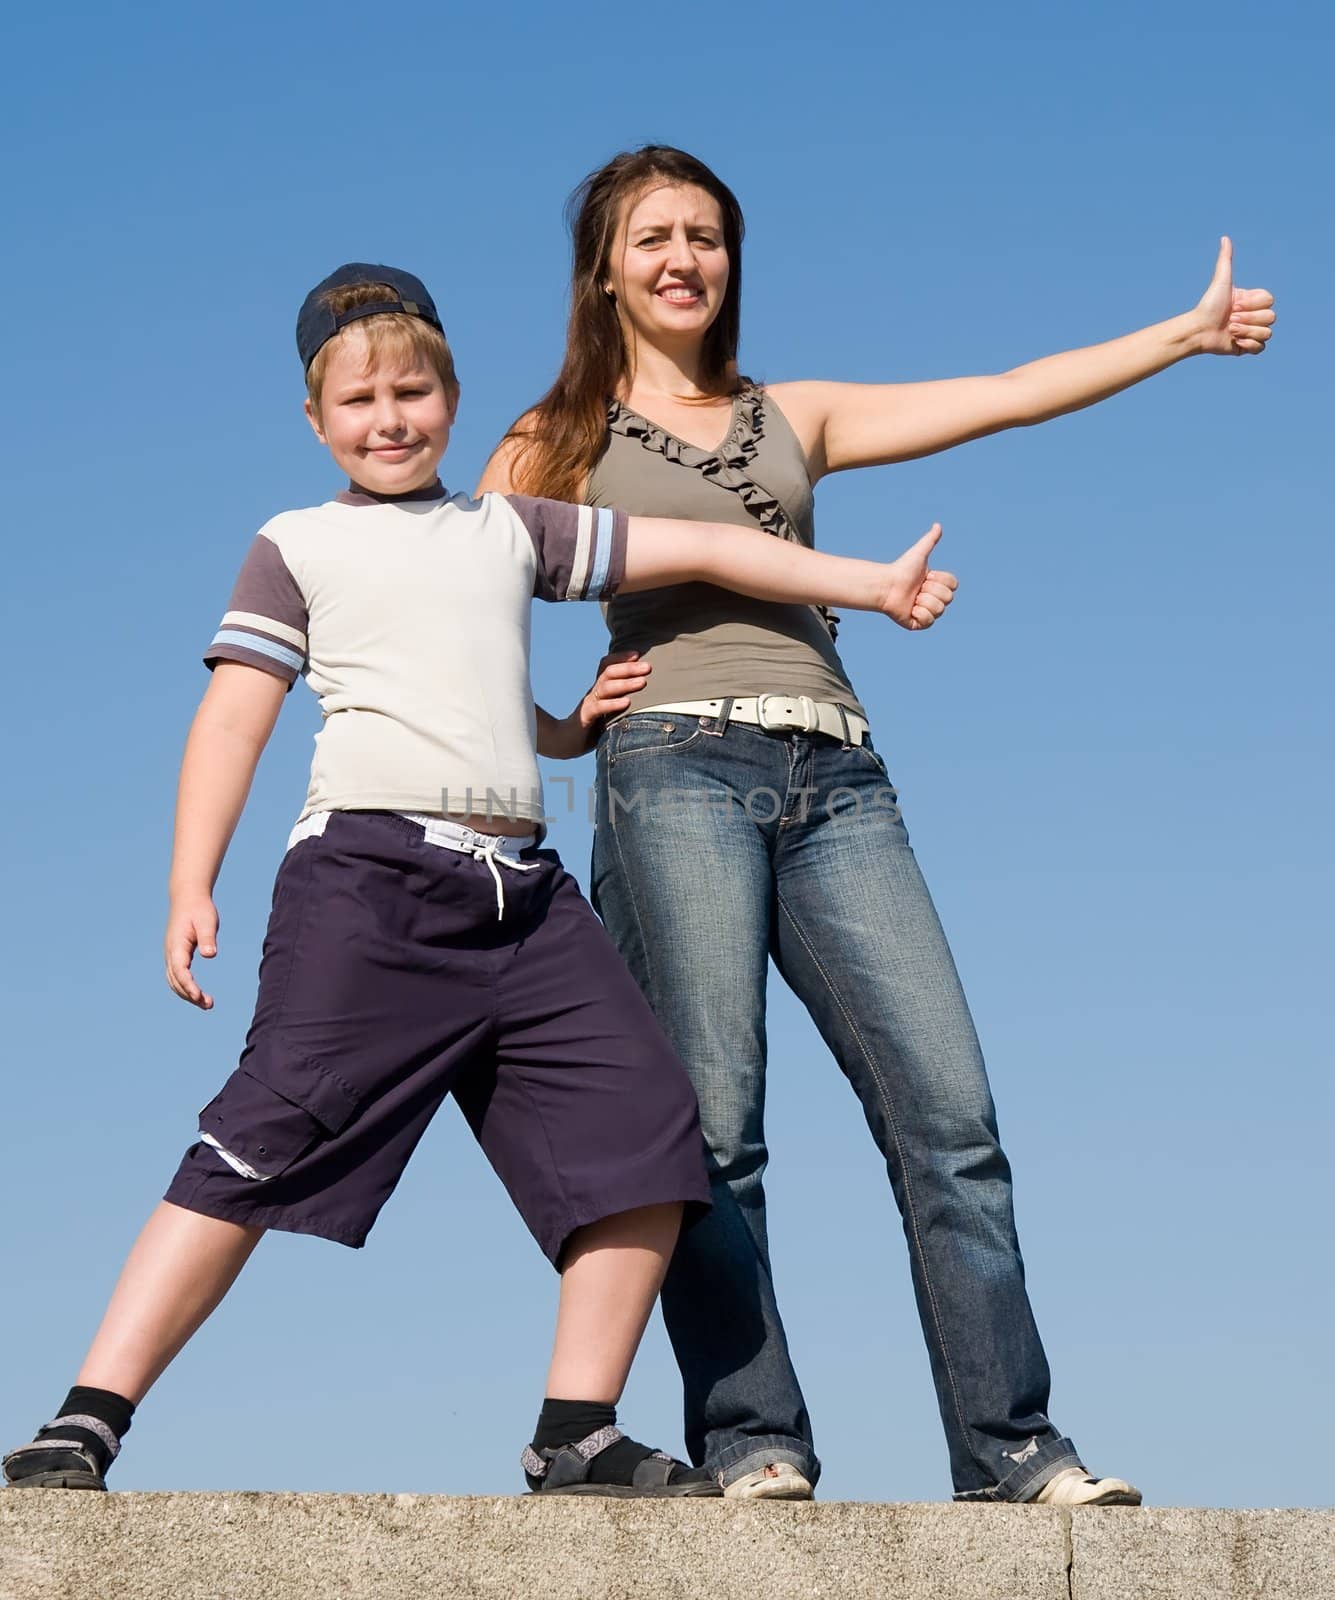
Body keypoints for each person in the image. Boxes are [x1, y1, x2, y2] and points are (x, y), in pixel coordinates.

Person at [2, 264, 955, 1499]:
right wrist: (192, 882)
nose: (388, 417)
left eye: (414, 391)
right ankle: (86, 1418)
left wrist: (865, 584)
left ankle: (576, 1430)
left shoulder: (513, 530)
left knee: (656, 1129)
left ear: (453, 400)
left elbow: (702, 547)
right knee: (261, 1136)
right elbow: (234, 718)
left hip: (526, 901)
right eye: (359, 400)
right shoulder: (298, 544)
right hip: (369, 884)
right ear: (315, 420)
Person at [478, 145, 1276, 1505]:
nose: (684, 258)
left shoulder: (789, 413)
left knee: (945, 1110)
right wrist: (557, 729)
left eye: (707, 236)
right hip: (670, 770)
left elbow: (1001, 397)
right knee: (714, 1128)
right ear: (604, 266)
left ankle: (1010, 1448)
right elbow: (460, 602)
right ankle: (752, 1438)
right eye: (655, 235)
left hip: (838, 778)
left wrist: (1178, 335)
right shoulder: (549, 438)